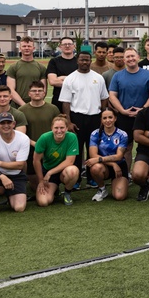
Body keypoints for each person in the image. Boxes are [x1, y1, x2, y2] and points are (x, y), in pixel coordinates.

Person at [59, 51, 109, 179]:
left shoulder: (98, 78)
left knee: (93, 148)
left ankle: (92, 177)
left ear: (90, 61)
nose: (85, 62)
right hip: (77, 118)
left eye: (87, 60)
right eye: (82, 60)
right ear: (77, 61)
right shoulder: (70, 78)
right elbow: (66, 102)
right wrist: (69, 122)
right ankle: (76, 178)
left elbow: (104, 97)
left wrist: (103, 116)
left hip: (95, 117)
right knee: (77, 149)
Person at [0, 112, 32, 216]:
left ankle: (9, 194)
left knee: (19, 208)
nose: (6, 125)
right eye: (2, 123)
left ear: (14, 124)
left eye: (9, 122)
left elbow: (20, 165)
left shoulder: (23, 138)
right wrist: (2, 177)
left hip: (16, 174)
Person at [108, 47, 149, 156]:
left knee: (146, 145)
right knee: (125, 147)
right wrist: (122, 111)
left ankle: (147, 171)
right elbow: (112, 95)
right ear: (124, 60)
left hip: (144, 116)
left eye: (133, 56)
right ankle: (126, 172)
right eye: (128, 57)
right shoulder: (117, 76)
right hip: (124, 117)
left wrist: (143, 109)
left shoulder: (148, 75)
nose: (131, 59)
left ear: (138, 57)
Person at [32, 115, 80, 206]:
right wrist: (41, 180)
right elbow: (36, 161)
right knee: (43, 202)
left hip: (62, 171)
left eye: (62, 128)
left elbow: (69, 162)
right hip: (48, 172)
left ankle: (67, 193)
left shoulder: (72, 137)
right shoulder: (44, 138)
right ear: (51, 128)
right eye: (56, 128)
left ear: (66, 128)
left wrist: (50, 172)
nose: (59, 131)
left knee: (73, 171)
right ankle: (55, 190)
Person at [85, 109, 130, 202]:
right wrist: (113, 164)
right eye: (104, 118)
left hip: (120, 167)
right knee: (95, 168)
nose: (107, 120)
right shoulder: (95, 134)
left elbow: (119, 156)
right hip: (104, 166)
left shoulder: (122, 134)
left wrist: (112, 163)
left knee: (119, 196)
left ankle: (120, 182)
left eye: (110, 117)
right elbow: (93, 154)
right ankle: (102, 189)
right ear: (101, 120)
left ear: (115, 119)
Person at [7, 36, 48, 107]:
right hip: (17, 106)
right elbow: (11, 89)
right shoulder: (13, 67)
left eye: (29, 46)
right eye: (24, 46)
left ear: (33, 48)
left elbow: (43, 89)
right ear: (20, 48)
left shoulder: (41, 67)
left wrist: (35, 104)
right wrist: (24, 105)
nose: (26, 48)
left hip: (36, 105)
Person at [46, 36, 79, 106]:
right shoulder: (54, 62)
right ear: (60, 47)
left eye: (69, 44)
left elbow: (83, 81)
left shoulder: (79, 62)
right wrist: (74, 81)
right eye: (64, 44)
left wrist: (62, 78)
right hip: (58, 100)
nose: (67, 46)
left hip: (77, 100)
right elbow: (52, 81)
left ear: (74, 46)